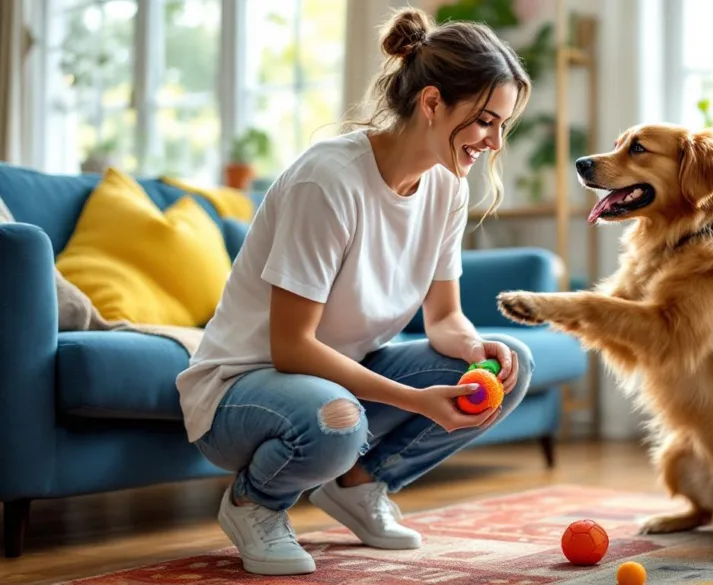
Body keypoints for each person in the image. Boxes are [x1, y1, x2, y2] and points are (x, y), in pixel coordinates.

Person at [175, 6, 534, 576]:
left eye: (502, 125)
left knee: (510, 371)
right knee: (338, 417)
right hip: (241, 390)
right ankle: (254, 505)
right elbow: (293, 347)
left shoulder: (446, 186)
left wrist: (473, 351)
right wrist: (417, 401)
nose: (493, 141)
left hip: (337, 376)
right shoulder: (330, 180)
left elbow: (444, 318)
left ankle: (360, 485)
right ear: (433, 102)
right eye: (486, 120)